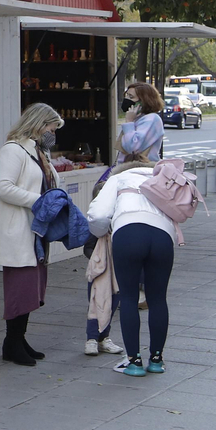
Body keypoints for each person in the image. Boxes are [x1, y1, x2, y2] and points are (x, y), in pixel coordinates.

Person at [0, 103, 63, 367]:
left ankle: (19, 339)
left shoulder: (39, 152)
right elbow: (2, 187)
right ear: (39, 125)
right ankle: (12, 342)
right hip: (17, 228)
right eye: (52, 128)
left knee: (32, 286)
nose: (53, 134)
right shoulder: (13, 150)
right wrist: (39, 201)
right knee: (20, 287)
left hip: (34, 230)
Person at [86, 159, 178, 377]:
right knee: (158, 299)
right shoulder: (162, 177)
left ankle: (134, 362)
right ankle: (156, 359)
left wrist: (101, 232)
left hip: (128, 233)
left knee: (128, 298)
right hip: (163, 235)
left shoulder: (117, 178)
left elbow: (98, 214)